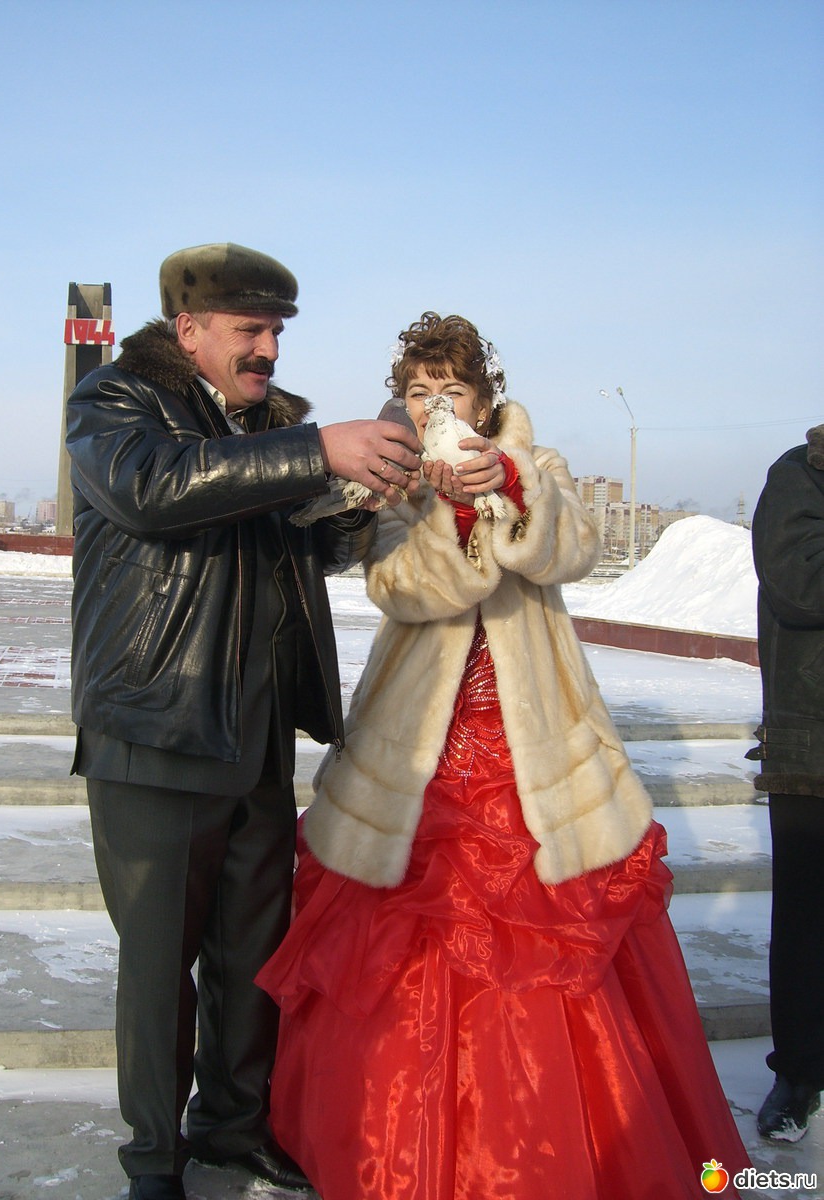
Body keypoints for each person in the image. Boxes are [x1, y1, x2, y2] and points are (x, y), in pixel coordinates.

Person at [258, 312, 752, 1199]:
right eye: (418, 392)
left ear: (484, 402)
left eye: (451, 389)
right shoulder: (394, 484)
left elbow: (571, 550)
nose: (434, 406)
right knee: (404, 945)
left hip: (539, 755)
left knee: (553, 952)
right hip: (418, 757)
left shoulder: (539, 465)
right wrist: (448, 513)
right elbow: (402, 590)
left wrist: (509, 486)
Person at [65, 242, 422, 1200]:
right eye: (248, 329)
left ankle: (230, 1126)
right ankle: (154, 1161)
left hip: (257, 736)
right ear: (188, 330)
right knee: (158, 967)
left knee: (252, 956)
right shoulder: (116, 402)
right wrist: (314, 452)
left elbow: (309, 550)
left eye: (276, 332)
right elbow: (155, 488)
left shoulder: (272, 428)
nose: (267, 349)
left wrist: (357, 495)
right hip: (158, 729)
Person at [747, 424, 824, 1143]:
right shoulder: (803, 473)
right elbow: (800, 584)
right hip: (813, 747)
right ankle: (798, 1074)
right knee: (806, 922)